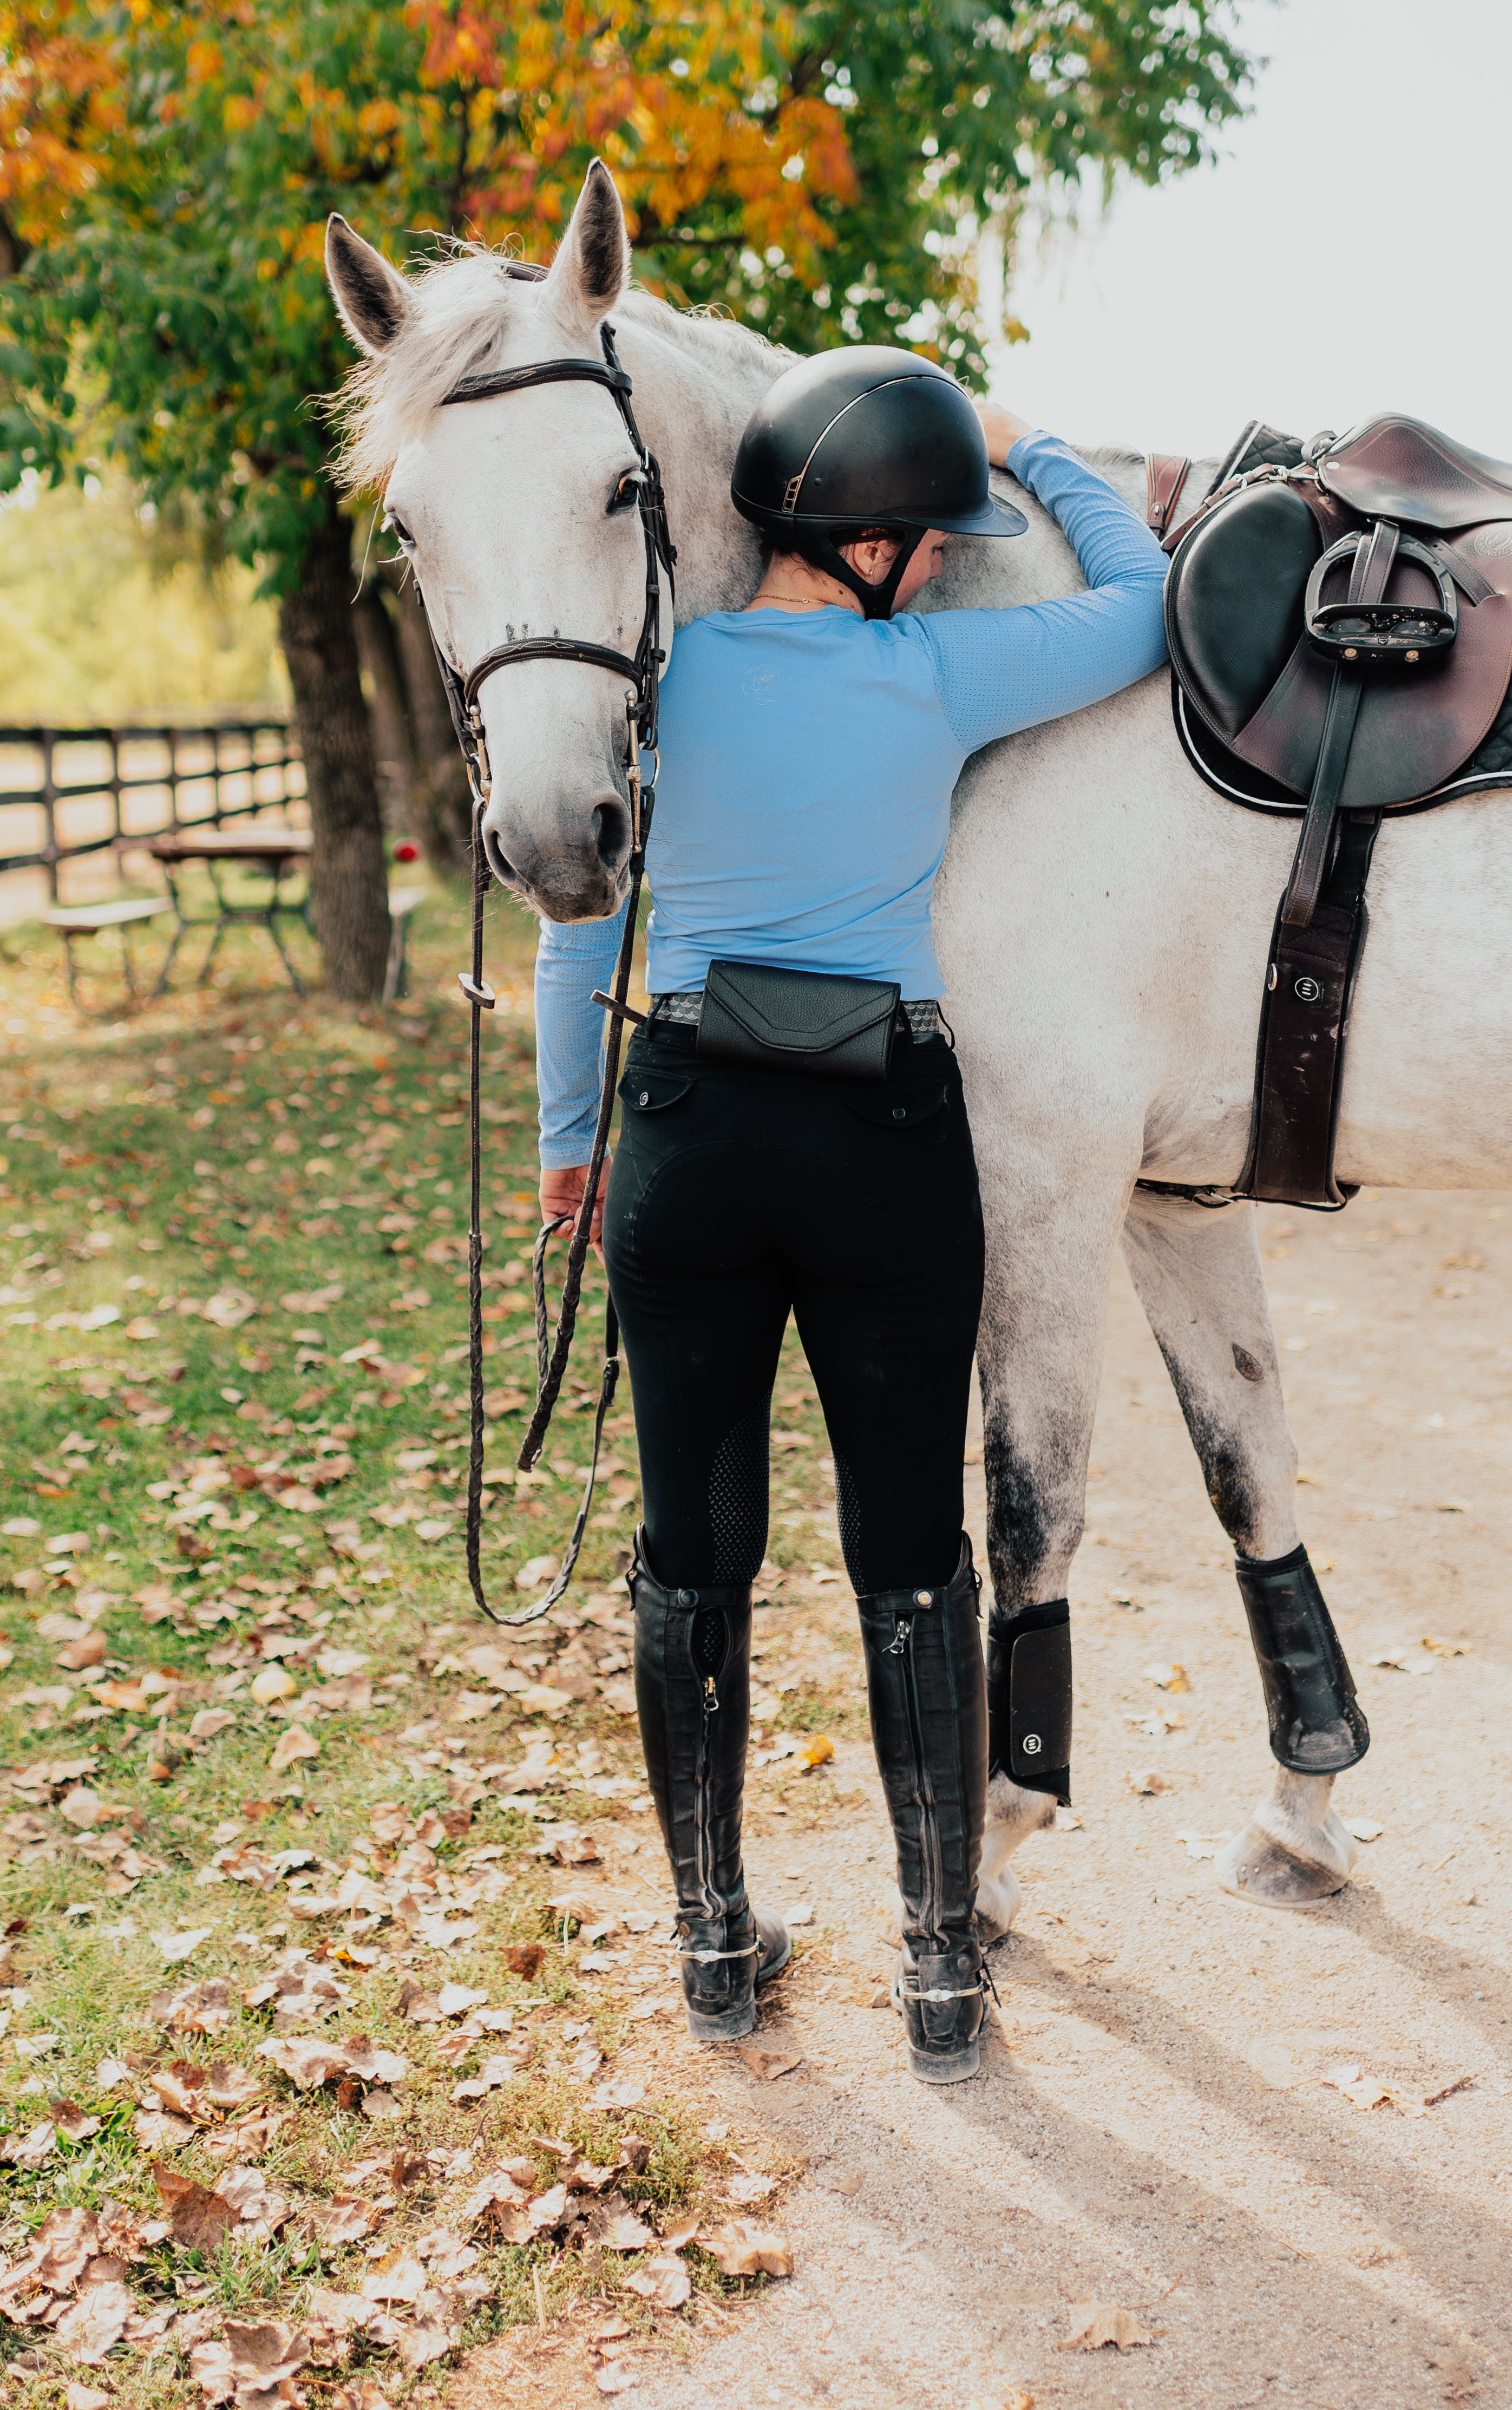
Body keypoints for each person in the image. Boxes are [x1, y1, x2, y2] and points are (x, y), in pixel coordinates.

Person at [533, 348, 1170, 2082]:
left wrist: (570, 1138)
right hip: (882, 1135)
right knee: (910, 1550)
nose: (954, 556)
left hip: (686, 1136)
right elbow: (1147, 601)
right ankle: (943, 1963)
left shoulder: (664, 673)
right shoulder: (944, 671)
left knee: (693, 1548)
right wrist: (1044, 447)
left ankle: (716, 1946)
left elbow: (583, 914)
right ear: (880, 545)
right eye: (940, 531)